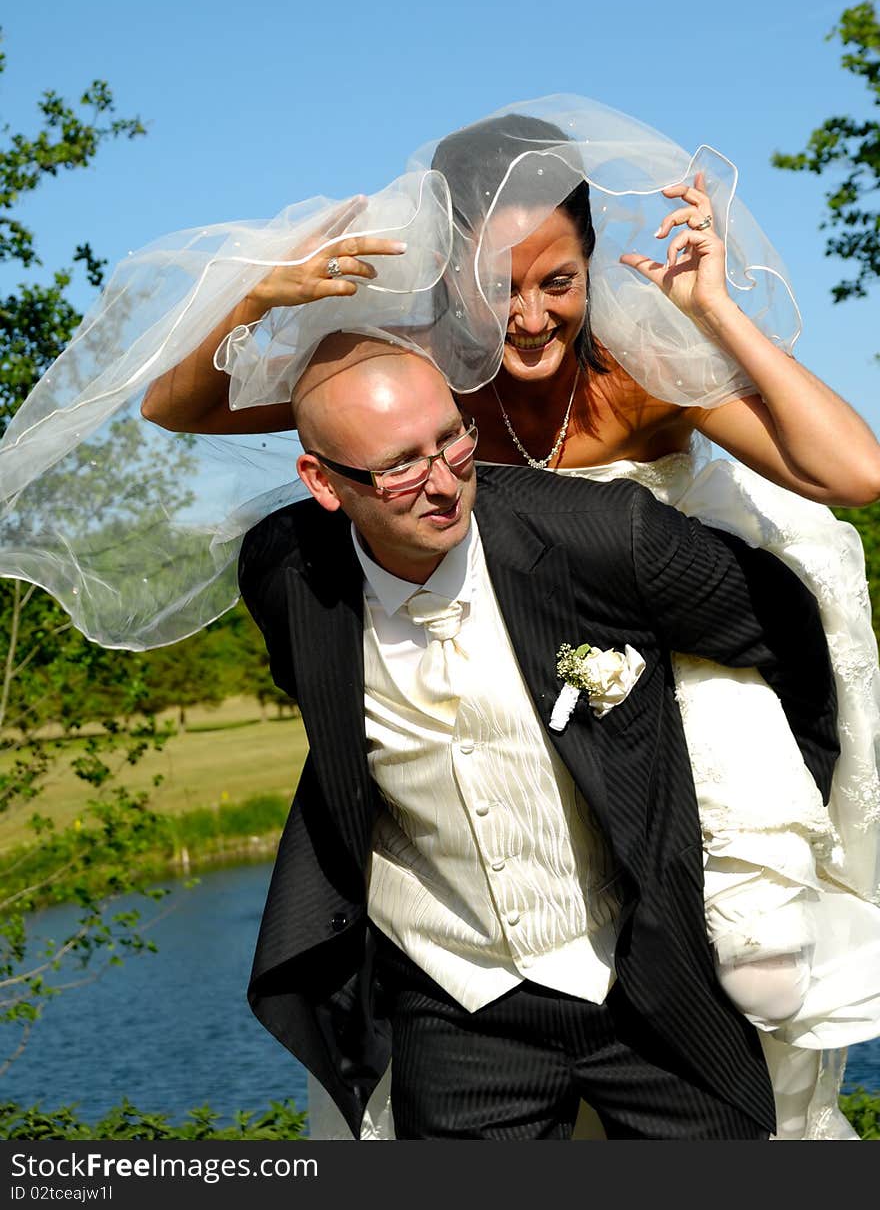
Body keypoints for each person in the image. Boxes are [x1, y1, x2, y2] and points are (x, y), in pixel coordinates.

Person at [2, 95, 878, 1136]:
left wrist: (714, 311)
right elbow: (178, 406)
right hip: (496, 684)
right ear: (451, 274)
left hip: (667, 655)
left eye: (557, 282)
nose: (529, 316)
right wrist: (253, 301)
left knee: (753, 964)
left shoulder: (641, 373)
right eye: (497, 287)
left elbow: (855, 475)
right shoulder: (416, 379)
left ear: (592, 265)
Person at [238, 331, 841, 1141]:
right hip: (455, 995)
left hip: (649, 978)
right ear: (322, 481)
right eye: (401, 465)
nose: (444, 481)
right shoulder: (285, 574)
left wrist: (773, 813)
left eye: (452, 439)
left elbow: (786, 627)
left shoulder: (604, 537)